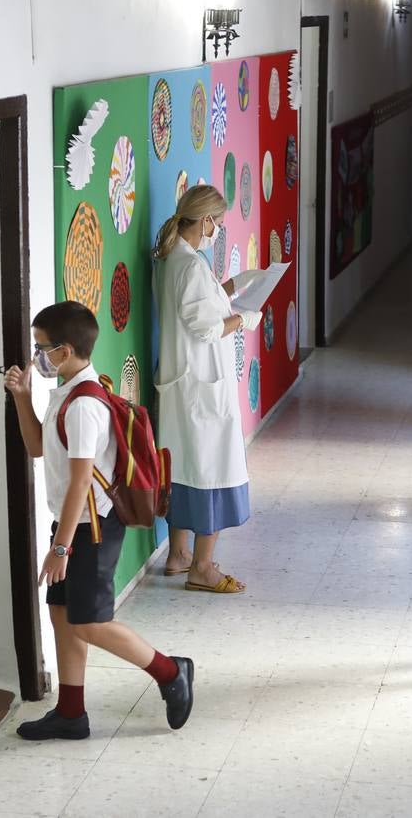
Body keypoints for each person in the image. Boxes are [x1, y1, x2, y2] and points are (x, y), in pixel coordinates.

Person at [3, 302, 195, 740]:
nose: (37, 356)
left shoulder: (85, 405)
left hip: (91, 528)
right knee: (61, 612)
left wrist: (60, 548)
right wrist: (21, 397)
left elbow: (78, 485)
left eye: (42, 348)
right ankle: (71, 714)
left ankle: (170, 672)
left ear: (66, 349)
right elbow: (36, 447)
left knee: (88, 621)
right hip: (73, 526)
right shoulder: (68, 393)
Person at [153, 184, 259, 594]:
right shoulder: (191, 266)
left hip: (185, 383)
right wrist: (243, 321)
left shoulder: (175, 259)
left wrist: (231, 287)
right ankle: (203, 566)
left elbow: (196, 304)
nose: (219, 228)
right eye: (218, 221)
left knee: (184, 468)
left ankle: (178, 555)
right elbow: (206, 326)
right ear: (207, 220)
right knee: (211, 471)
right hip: (201, 386)